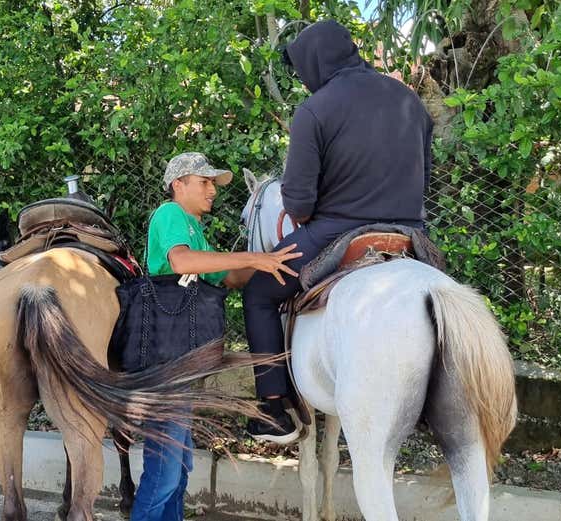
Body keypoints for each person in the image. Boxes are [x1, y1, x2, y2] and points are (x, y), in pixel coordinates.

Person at [243, 19, 434, 444]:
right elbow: (427, 179)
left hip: (336, 233)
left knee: (258, 292)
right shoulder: (410, 101)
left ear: (314, 61)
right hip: (410, 236)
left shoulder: (315, 110)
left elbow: (299, 205)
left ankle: (273, 410)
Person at [130, 151, 302, 521]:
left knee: (178, 470)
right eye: (204, 182)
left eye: (213, 183)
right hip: (166, 363)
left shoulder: (197, 232)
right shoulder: (170, 214)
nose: (213, 190)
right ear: (179, 185)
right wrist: (252, 259)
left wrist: (274, 260)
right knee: (164, 474)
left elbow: (228, 276)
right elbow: (182, 263)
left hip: (183, 361)